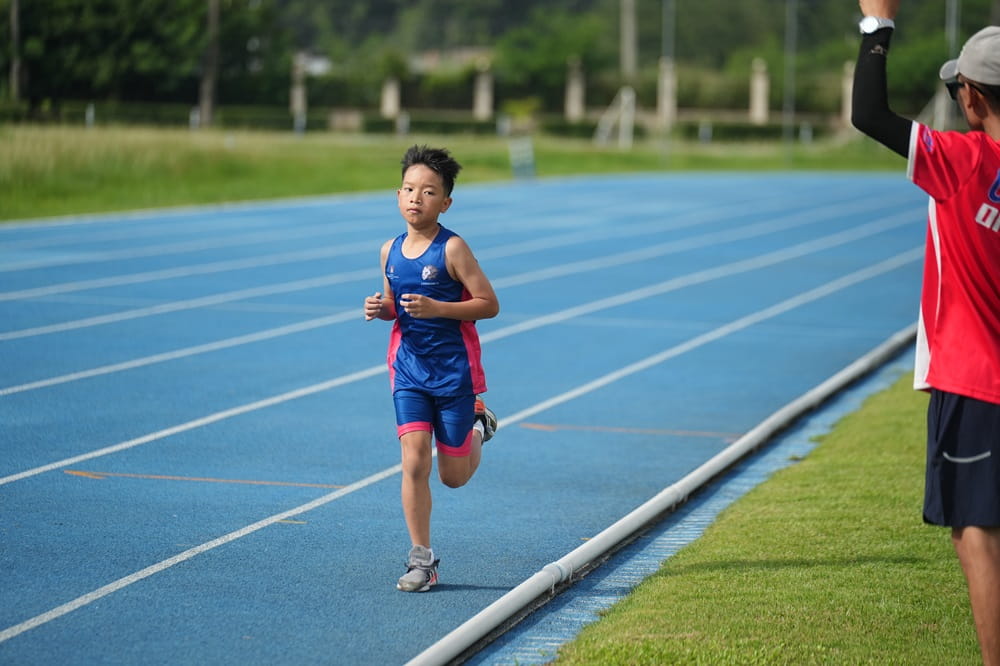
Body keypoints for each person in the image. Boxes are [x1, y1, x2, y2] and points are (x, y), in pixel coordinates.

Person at [852, 2, 1000, 663]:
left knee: (978, 534)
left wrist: (876, 26)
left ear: (971, 98)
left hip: (974, 382)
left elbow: (870, 115)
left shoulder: (962, 161)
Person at [364, 144, 500, 592]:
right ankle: (421, 560)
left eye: (428, 191)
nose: (415, 198)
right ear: (397, 195)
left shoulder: (453, 248)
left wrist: (439, 308)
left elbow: (489, 304)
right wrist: (381, 308)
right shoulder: (389, 250)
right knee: (415, 459)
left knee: (452, 477)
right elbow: (397, 306)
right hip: (408, 371)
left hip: (454, 373)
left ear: (445, 203)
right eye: (409, 189)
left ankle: (478, 424)